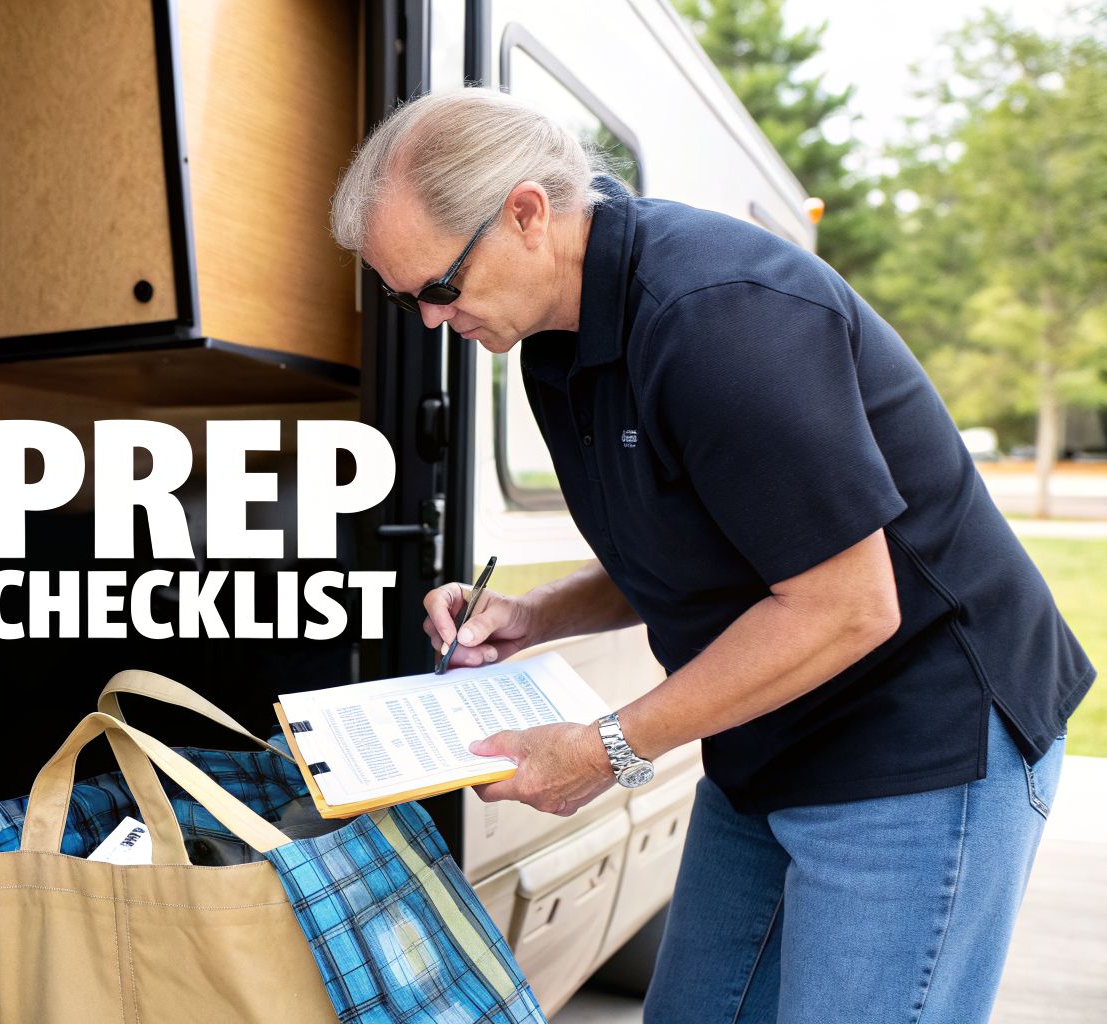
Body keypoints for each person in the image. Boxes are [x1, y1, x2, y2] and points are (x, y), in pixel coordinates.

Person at [330, 88, 1093, 1023]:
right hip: (769, 735)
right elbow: (704, 541)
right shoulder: (552, 349)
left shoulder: (715, 317)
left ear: (527, 214)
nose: (427, 321)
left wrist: (605, 750)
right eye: (403, 297)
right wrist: (536, 615)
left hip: (919, 738)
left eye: (438, 288)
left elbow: (849, 606)